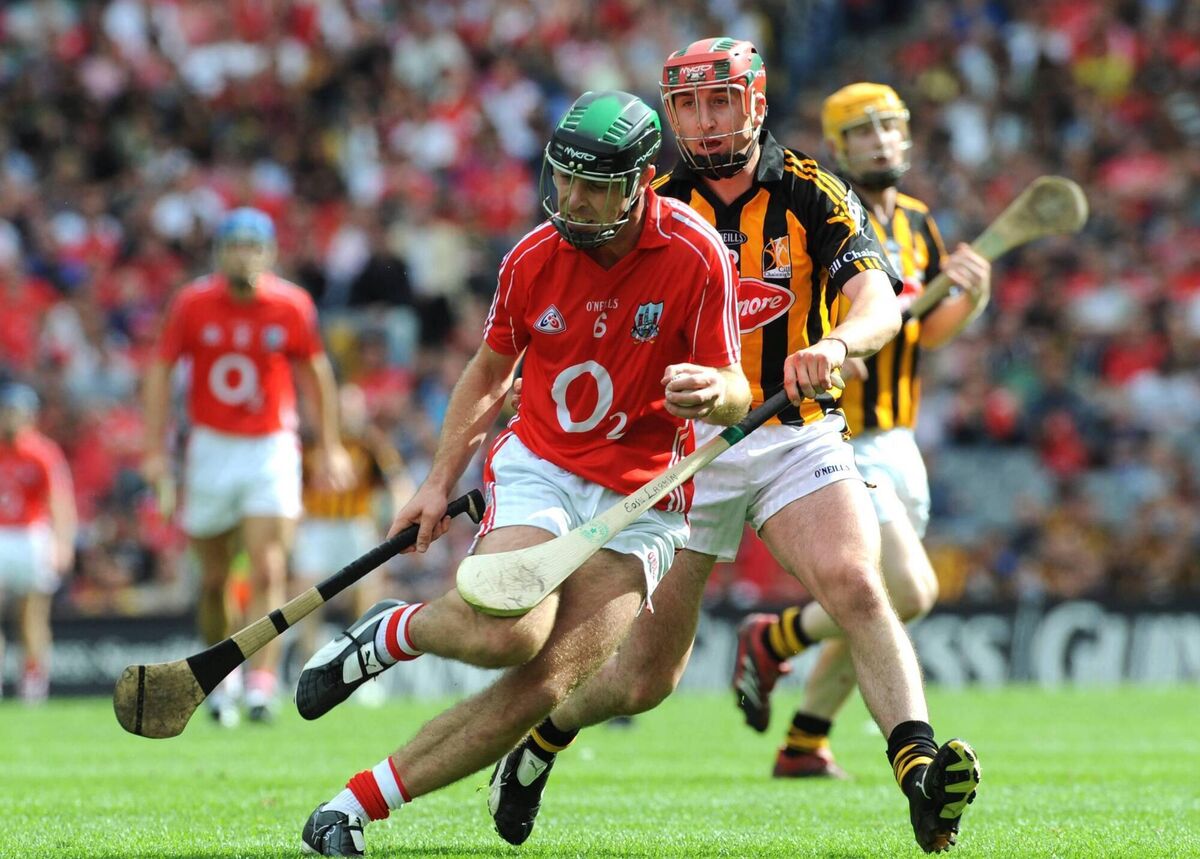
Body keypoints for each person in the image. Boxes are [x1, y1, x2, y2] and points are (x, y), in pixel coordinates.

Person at [486, 40, 981, 855]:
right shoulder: (649, 201)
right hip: (683, 449)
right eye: (688, 105)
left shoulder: (814, 192)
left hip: (793, 428)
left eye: (721, 101)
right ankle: (540, 741)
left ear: (755, 104)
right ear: (670, 114)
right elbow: (581, 312)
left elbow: (880, 302)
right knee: (646, 679)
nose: (705, 120)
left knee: (858, 584)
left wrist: (841, 342)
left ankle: (919, 771)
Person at [295, 89, 750, 857]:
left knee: (548, 683)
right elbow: (485, 376)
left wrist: (716, 391)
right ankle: (394, 631)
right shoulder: (533, 258)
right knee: (509, 632)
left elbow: (735, 384)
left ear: (640, 180)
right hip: (543, 463)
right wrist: (438, 481)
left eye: (593, 184)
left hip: (643, 495)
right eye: (563, 178)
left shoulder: (696, 253)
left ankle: (347, 810)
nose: (570, 198)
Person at [737, 82, 992, 781]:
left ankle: (803, 742)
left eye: (891, 128)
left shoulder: (917, 221)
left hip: (900, 436)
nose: (881, 142)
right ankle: (778, 635)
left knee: (872, 605)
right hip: (843, 433)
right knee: (906, 591)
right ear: (840, 144)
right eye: (864, 132)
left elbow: (925, 332)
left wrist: (972, 296)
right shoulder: (829, 213)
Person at [141, 207, 353, 726]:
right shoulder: (192, 303)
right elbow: (162, 371)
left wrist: (329, 444)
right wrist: (153, 449)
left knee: (269, 566)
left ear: (270, 252)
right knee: (214, 579)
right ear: (219, 253)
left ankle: (260, 682)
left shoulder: (291, 304)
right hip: (211, 446)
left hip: (269, 446)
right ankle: (224, 677)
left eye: (252, 245)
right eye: (234, 245)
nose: (244, 255)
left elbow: (316, 372)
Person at [290, 382, 413, 701]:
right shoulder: (311, 440)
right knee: (306, 598)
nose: (348, 415)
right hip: (317, 526)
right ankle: (305, 671)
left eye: (352, 409)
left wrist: (398, 514)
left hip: (355, 526)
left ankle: (363, 677)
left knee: (366, 598)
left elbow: (396, 479)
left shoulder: (370, 442)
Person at [0, 383, 76, 704]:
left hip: (31, 536)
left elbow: (60, 501)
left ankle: (33, 684)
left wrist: (63, 544)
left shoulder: (42, 452)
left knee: (33, 615)